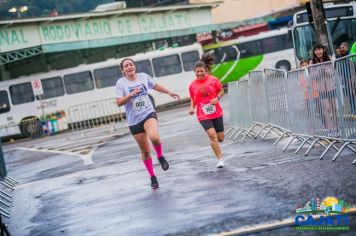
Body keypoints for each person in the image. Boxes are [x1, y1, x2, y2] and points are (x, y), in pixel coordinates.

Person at [115, 58, 180, 189]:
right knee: (145, 152)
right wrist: (130, 95)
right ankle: (152, 176)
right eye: (126, 66)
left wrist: (169, 92)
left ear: (134, 66)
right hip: (134, 121)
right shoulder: (121, 83)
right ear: (123, 70)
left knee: (154, 137)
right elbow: (119, 102)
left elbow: (155, 85)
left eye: (131, 64)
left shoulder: (143, 77)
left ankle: (160, 156)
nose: (129, 67)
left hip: (148, 113)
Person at [188, 54, 225, 168]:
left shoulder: (213, 80)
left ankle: (218, 149)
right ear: (194, 72)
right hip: (203, 114)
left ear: (206, 70)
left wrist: (217, 98)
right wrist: (191, 108)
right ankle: (220, 159)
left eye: (201, 71)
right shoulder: (192, 85)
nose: (199, 74)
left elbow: (221, 91)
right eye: (197, 72)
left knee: (220, 138)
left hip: (216, 112)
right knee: (212, 135)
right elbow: (193, 98)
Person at [309, 44, 338, 136]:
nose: (318, 52)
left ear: (323, 50)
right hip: (321, 89)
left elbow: (332, 72)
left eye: (319, 49)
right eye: (316, 50)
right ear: (314, 52)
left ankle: (337, 128)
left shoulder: (329, 58)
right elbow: (312, 76)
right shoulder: (312, 62)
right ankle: (330, 129)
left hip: (331, 87)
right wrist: (318, 70)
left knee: (333, 109)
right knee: (326, 109)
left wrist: (325, 70)